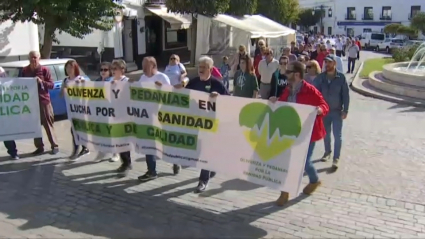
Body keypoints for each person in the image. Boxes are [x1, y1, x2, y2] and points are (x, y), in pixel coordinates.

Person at [269, 61, 329, 206]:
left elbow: (324, 105)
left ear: (296, 74)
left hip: (308, 133)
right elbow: (282, 104)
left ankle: (314, 180)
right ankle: (285, 192)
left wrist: (320, 110)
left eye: (288, 71)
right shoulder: (288, 90)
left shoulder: (310, 90)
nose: (285, 73)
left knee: (304, 162)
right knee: (288, 162)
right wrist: (275, 101)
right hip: (290, 132)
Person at [185, 56, 229, 193]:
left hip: (211, 124)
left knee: (206, 151)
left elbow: (230, 101)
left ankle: (203, 181)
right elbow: (181, 96)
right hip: (196, 123)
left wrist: (219, 98)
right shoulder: (193, 82)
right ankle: (212, 167)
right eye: (199, 67)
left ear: (210, 69)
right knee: (200, 151)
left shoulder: (217, 84)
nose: (201, 69)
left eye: (204, 67)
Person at [4, 51, 59, 156]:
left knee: (48, 124)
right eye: (31, 58)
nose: (33, 60)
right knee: (35, 126)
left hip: (44, 101)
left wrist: (41, 82)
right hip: (31, 102)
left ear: (39, 58)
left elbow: (51, 85)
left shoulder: (44, 70)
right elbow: (19, 84)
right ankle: (39, 147)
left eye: (35, 57)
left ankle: (54, 145)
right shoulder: (25, 70)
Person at [137, 56, 182, 180]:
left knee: (166, 142)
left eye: (145, 65)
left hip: (162, 116)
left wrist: (162, 87)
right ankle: (152, 171)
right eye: (143, 65)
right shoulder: (142, 78)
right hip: (148, 116)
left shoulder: (162, 77)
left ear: (153, 65)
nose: (143, 68)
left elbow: (171, 95)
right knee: (149, 143)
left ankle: (175, 161)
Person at [314, 55, 350, 171]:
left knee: (337, 136)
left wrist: (345, 110)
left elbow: (346, 95)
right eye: (325, 62)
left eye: (329, 62)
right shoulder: (321, 77)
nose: (327, 65)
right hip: (324, 112)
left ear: (334, 63)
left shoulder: (341, 77)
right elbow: (315, 92)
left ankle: (336, 158)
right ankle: (327, 152)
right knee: (326, 134)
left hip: (337, 111)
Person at [59, 60, 90, 160]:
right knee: (75, 130)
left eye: (71, 67)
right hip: (71, 111)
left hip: (81, 110)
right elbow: (61, 95)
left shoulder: (80, 79)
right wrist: (64, 88)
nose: (69, 70)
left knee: (76, 130)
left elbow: (87, 93)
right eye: (67, 68)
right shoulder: (65, 80)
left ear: (75, 68)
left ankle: (78, 150)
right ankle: (84, 148)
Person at [93, 62, 120, 163]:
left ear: (109, 71)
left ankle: (115, 153)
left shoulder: (113, 81)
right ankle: (102, 152)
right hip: (100, 111)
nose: (103, 72)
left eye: (105, 70)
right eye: (101, 70)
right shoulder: (97, 82)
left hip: (111, 110)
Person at [110, 59, 132, 176]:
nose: (113, 71)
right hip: (115, 114)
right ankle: (124, 162)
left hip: (125, 115)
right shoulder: (111, 82)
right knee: (118, 140)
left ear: (122, 70)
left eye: (115, 69)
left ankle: (127, 163)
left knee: (124, 141)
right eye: (112, 69)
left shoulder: (127, 82)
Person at [1, 67, 19, 160]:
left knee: (7, 134)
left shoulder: (8, 85)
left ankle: (13, 152)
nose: (2, 76)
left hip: (5, 113)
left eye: (2, 75)